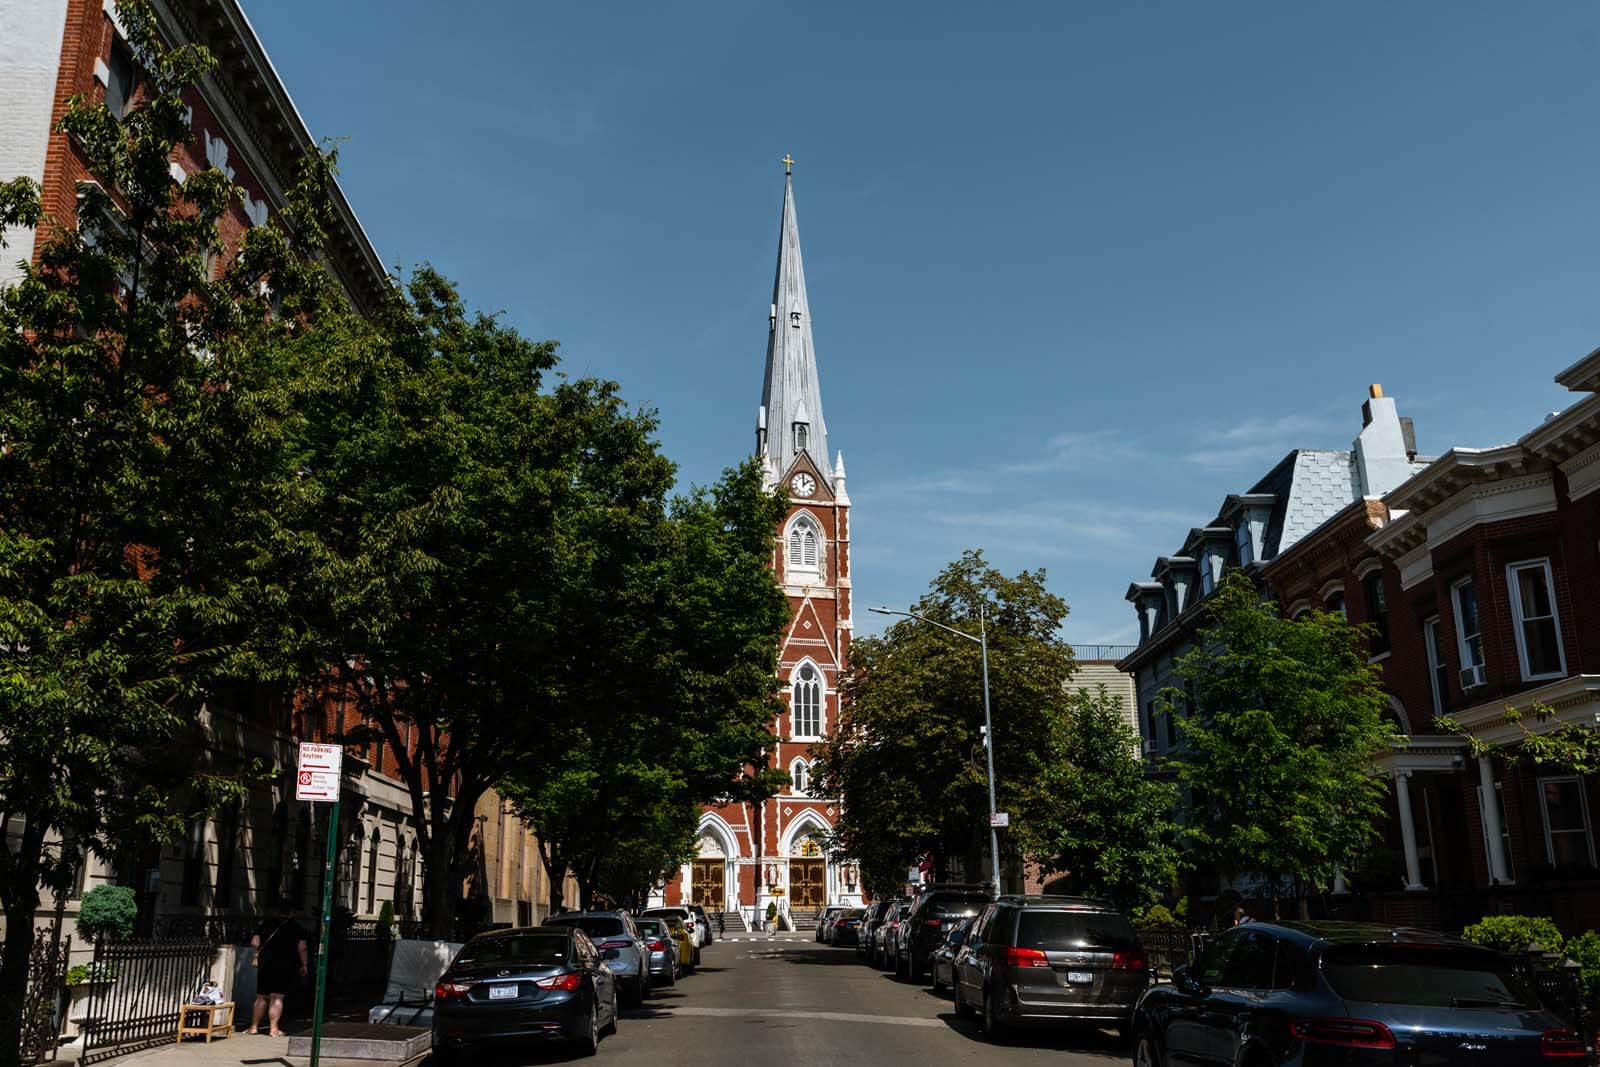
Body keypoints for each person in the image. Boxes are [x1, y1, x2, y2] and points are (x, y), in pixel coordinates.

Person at [247, 906, 308, 1037]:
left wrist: (260, 952)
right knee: (277, 997)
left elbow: (254, 942)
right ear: (290, 913)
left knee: (261, 996)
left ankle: (253, 1027)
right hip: (285, 964)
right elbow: (302, 947)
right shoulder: (296, 926)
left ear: (277, 911)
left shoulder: (266, 923)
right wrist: (304, 964)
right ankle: (273, 1029)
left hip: (265, 964)